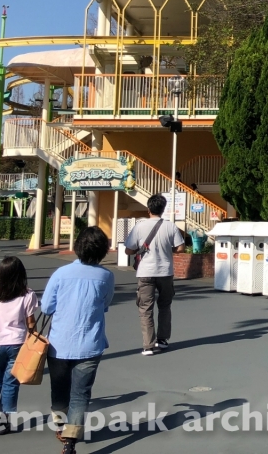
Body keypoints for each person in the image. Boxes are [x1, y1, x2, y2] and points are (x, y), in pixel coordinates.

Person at [41, 226, 115, 453]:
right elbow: (105, 305)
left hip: (59, 343)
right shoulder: (106, 276)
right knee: (81, 393)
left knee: (59, 389)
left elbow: (46, 306)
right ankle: (70, 441)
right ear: (103, 251)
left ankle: (60, 424)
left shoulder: (60, 274)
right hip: (90, 343)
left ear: (77, 247)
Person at [0, 257, 38, 434]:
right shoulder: (28, 295)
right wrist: (33, 335)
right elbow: (30, 321)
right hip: (16, 343)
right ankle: (5, 417)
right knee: (11, 381)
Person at [123, 193, 184, 356]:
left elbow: (128, 250)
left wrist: (139, 250)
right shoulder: (170, 226)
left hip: (145, 272)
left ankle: (148, 345)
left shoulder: (139, 226)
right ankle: (162, 339)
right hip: (165, 272)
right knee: (165, 306)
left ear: (148, 208)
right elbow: (180, 248)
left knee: (145, 308)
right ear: (163, 209)